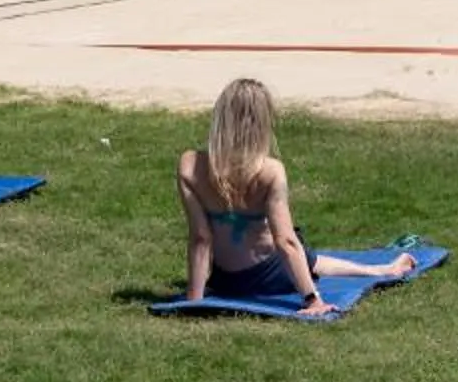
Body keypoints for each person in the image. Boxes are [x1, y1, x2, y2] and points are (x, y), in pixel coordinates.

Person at [176, 78, 413, 319]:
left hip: (225, 280)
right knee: (303, 251)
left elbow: (201, 238)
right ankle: (380, 269)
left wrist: (194, 300)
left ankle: (379, 269)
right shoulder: (270, 172)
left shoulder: (190, 165)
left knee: (298, 250)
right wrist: (313, 300)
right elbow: (286, 241)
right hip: (270, 276)